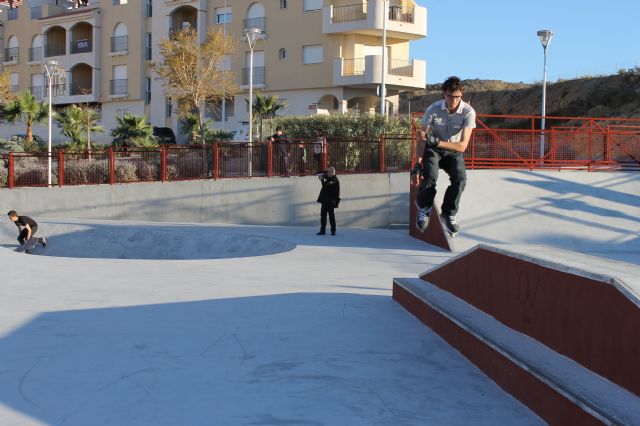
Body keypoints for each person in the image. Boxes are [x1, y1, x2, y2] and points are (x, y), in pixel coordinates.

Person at [411, 76, 476, 236]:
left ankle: (449, 213)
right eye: (449, 96)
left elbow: (462, 145)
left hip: (453, 150)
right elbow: (421, 139)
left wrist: (436, 141)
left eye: (457, 97)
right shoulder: (433, 110)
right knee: (430, 175)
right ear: (443, 95)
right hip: (433, 149)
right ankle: (424, 208)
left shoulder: (468, 112)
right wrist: (417, 165)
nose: (453, 101)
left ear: (461, 95)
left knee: (460, 179)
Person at [316, 167, 340, 236]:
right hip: (325, 200)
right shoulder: (329, 178)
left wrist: (322, 179)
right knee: (323, 216)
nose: (327, 173)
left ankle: (333, 231)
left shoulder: (335, 180)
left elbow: (326, 185)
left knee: (331, 216)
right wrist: (320, 174)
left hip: (331, 201)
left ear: (332, 173)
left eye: (328, 172)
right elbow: (324, 172)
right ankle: (322, 231)